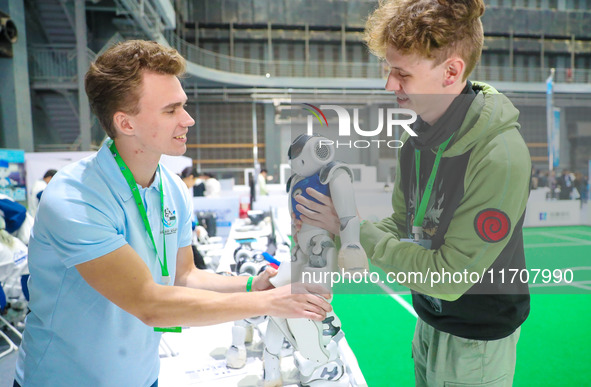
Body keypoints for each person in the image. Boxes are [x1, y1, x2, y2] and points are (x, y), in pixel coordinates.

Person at [14, 40, 331, 387]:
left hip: (143, 378)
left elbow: (184, 276)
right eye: (171, 110)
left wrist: (256, 283)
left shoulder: (173, 188)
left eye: (184, 106)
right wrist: (270, 301)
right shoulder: (73, 197)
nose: (188, 119)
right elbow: (149, 303)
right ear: (126, 123)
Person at [294, 1, 530, 386]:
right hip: (430, 316)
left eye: (401, 73)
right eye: (389, 70)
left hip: (478, 338)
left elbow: (452, 278)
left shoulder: (500, 156)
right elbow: (405, 225)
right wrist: (339, 233)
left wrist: (353, 230)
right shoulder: (415, 137)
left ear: (451, 71)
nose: (389, 84)